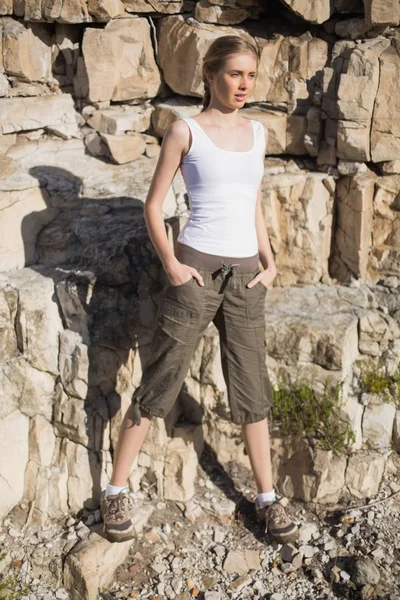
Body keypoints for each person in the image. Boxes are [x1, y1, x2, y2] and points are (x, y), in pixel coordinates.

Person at [100, 35, 298, 545]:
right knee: (160, 382)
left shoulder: (257, 132)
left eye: (251, 75)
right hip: (195, 273)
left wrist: (269, 258)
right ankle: (116, 489)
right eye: (235, 74)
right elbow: (154, 204)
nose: (244, 84)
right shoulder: (185, 131)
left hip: (247, 277)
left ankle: (268, 499)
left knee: (253, 390)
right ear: (210, 75)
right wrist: (170, 262)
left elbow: (251, 198)